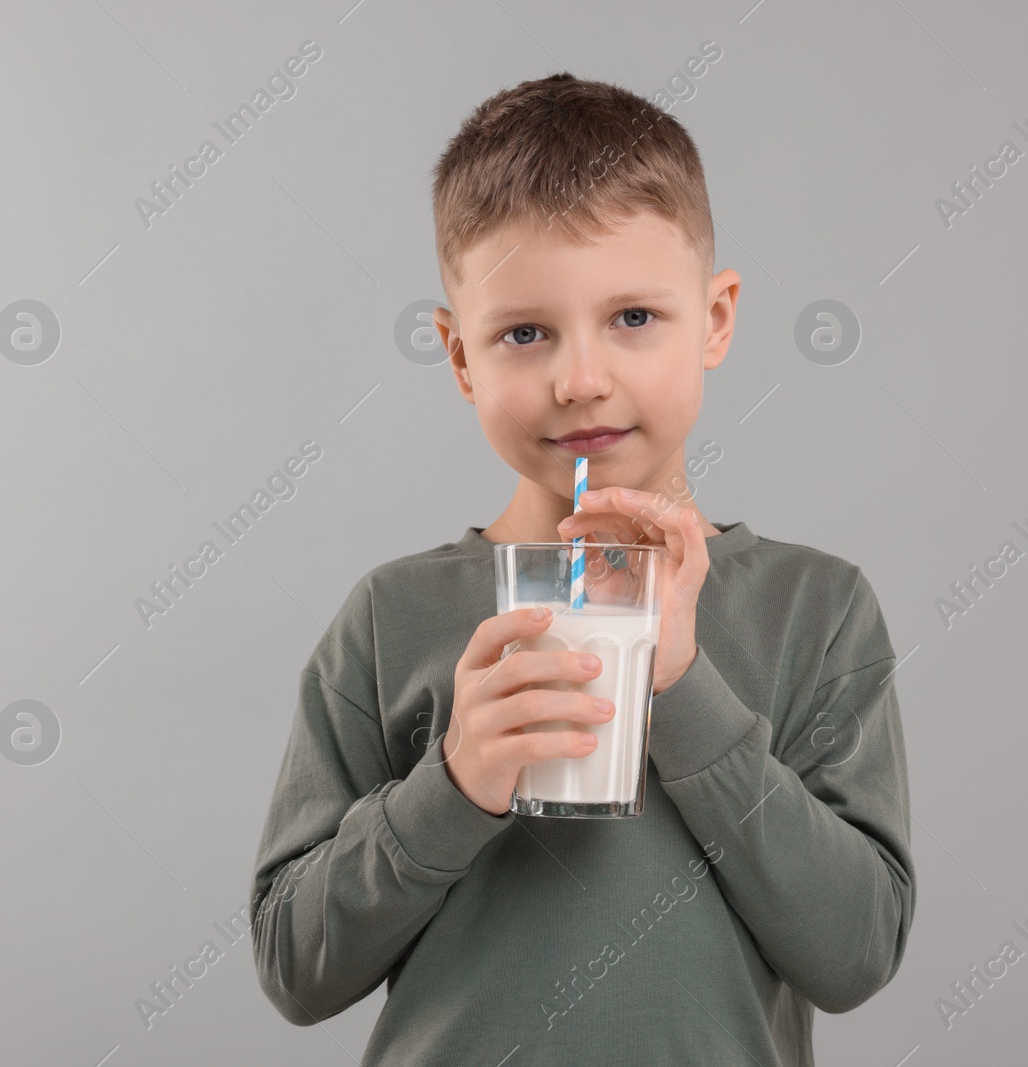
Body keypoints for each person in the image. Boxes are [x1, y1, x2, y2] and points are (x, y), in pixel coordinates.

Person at [248, 72, 914, 1066]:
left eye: (634, 317)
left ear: (716, 319)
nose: (580, 377)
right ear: (460, 356)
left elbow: (854, 951)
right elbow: (295, 965)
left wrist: (683, 687)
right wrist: (455, 782)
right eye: (523, 333)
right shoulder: (390, 618)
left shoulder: (814, 610)